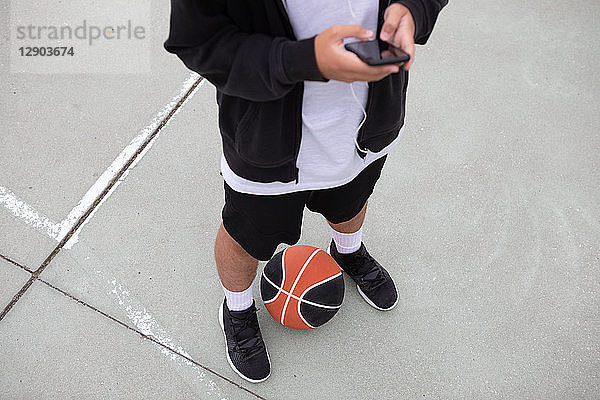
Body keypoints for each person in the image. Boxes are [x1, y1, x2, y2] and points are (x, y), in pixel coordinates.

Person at [164, 0, 447, 383]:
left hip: (368, 122)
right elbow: (198, 42)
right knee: (245, 237)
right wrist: (301, 60)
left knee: (351, 202)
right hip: (268, 143)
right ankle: (237, 309)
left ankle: (348, 253)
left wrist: (412, 10)